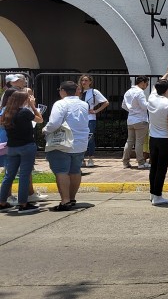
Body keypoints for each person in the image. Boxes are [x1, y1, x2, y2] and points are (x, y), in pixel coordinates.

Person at [43, 81, 90, 210]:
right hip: (80, 142)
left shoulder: (60, 103)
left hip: (63, 143)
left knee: (61, 171)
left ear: (63, 91)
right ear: (76, 91)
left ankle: (65, 200)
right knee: (75, 171)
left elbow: (54, 123)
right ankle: (72, 198)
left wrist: (45, 130)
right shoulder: (84, 104)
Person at [0, 91, 43, 213]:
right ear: (22, 100)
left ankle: (2, 202)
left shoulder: (6, 112)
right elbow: (40, 120)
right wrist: (33, 106)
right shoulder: (25, 112)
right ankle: (23, 204)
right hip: (26, 146)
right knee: (24, 175)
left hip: (12, 148)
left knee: (9, 176)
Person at [147, 79, 168, 205]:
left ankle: (153, 193)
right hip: (165, 139)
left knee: (153, 167)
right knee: (161, 168)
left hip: (153, 138)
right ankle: (157, 196)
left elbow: (156, 88)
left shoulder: (151, 98)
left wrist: (167, 73)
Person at [78, 74, 108, 168]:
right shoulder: (78, 91)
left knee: (90, 137)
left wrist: (95, 111)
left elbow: (105, 102)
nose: (84, 82)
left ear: (90, 82)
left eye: (86, 80)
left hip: (90, 118)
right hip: (79, 118)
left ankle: (90, 157)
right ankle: (81, 158)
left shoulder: (94, 92)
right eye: (82, 80)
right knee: (79, 138)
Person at [122, 75, 150, 170]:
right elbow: (144, 106)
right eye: (146, 83)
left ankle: (125, 162)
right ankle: (141, 162)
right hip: (140, 119)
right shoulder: (140, 92)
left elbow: (124, 105)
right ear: (142, 82)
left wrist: (132, 110)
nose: (146, 86)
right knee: (139, 142)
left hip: (131, 119)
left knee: (129, 141)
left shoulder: (128, 92)